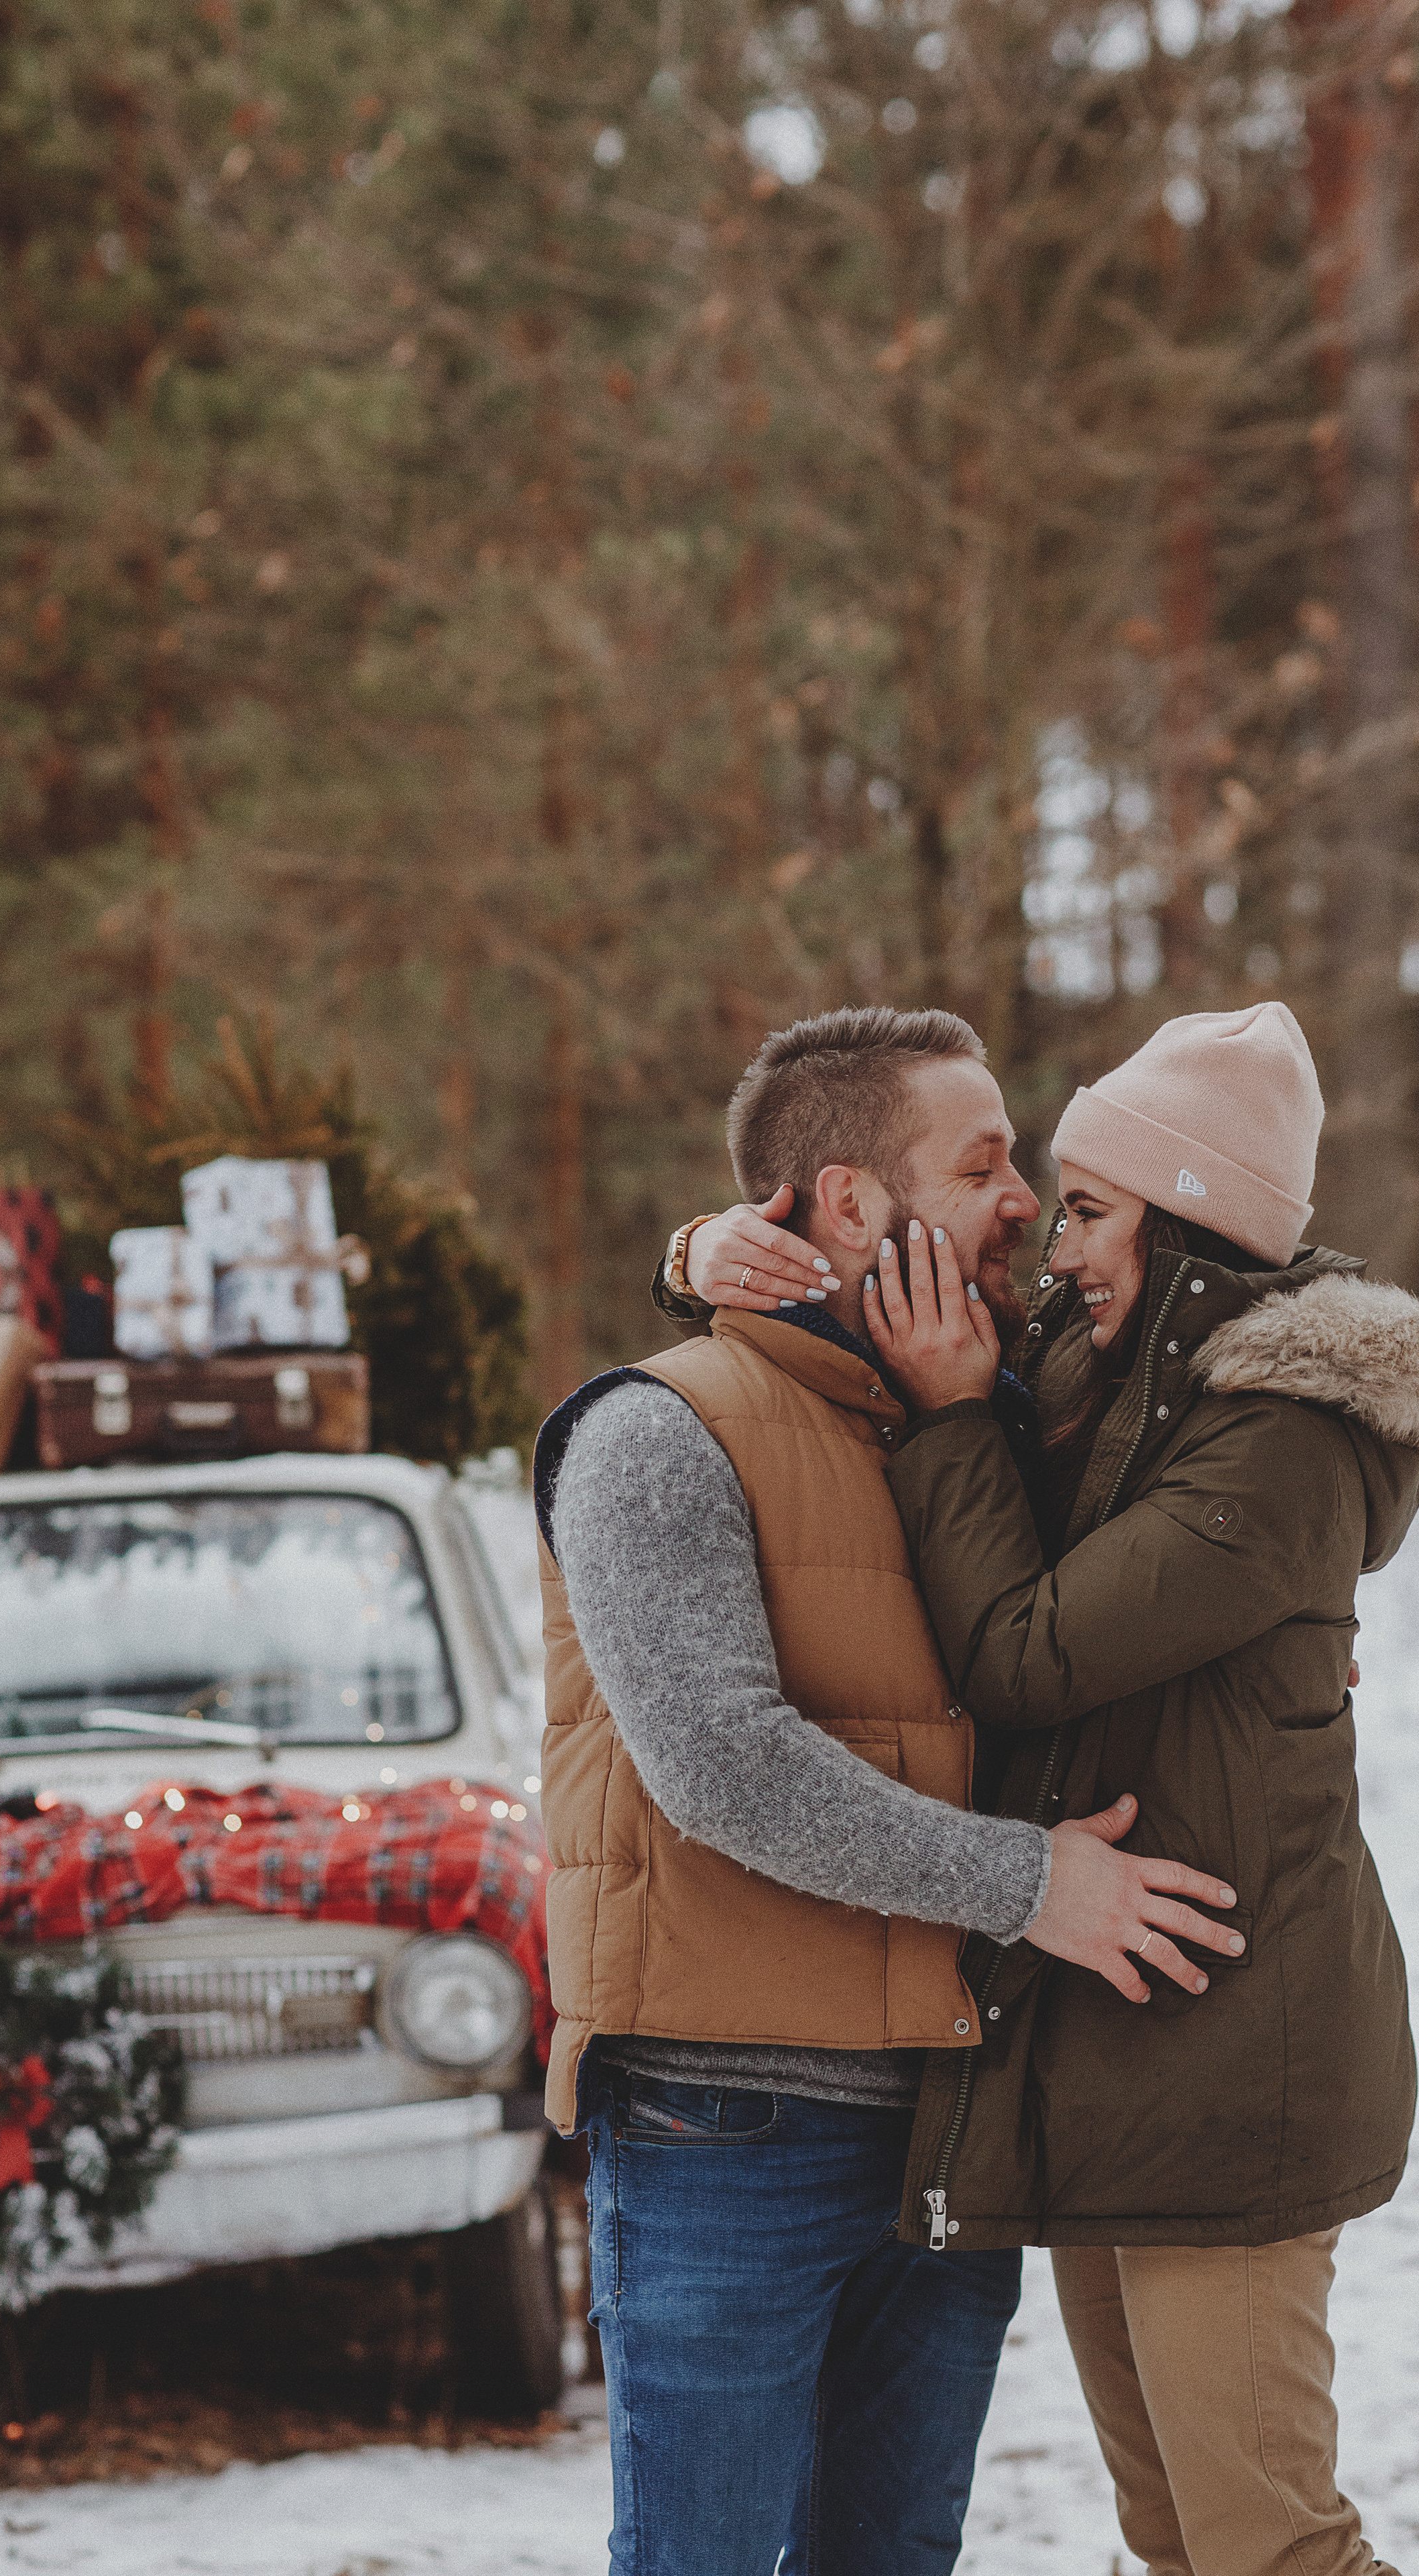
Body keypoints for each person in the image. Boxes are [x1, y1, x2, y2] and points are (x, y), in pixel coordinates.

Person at [680, 999, 1419, 2576]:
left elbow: (1024, 1652)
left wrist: (951, 1416)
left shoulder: (1280, 1438)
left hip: (1232, 2055)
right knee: (1174, 2535)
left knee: (1270, 2546)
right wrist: (710, 1253)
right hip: (1121, 2048)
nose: (1051, 1245)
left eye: (1085, 1209)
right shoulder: (1109, 1376)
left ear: (1188, 1221)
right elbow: (877, 1296)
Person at [534, 1005, 1248, 2576]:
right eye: (981, 1167)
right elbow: (722, 1767)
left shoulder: (985, 1423)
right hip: (725, 2128)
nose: (1022, 1203)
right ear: (852, 1204)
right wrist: (1031, 1885)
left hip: (944, 2127)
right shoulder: (655, 1432)